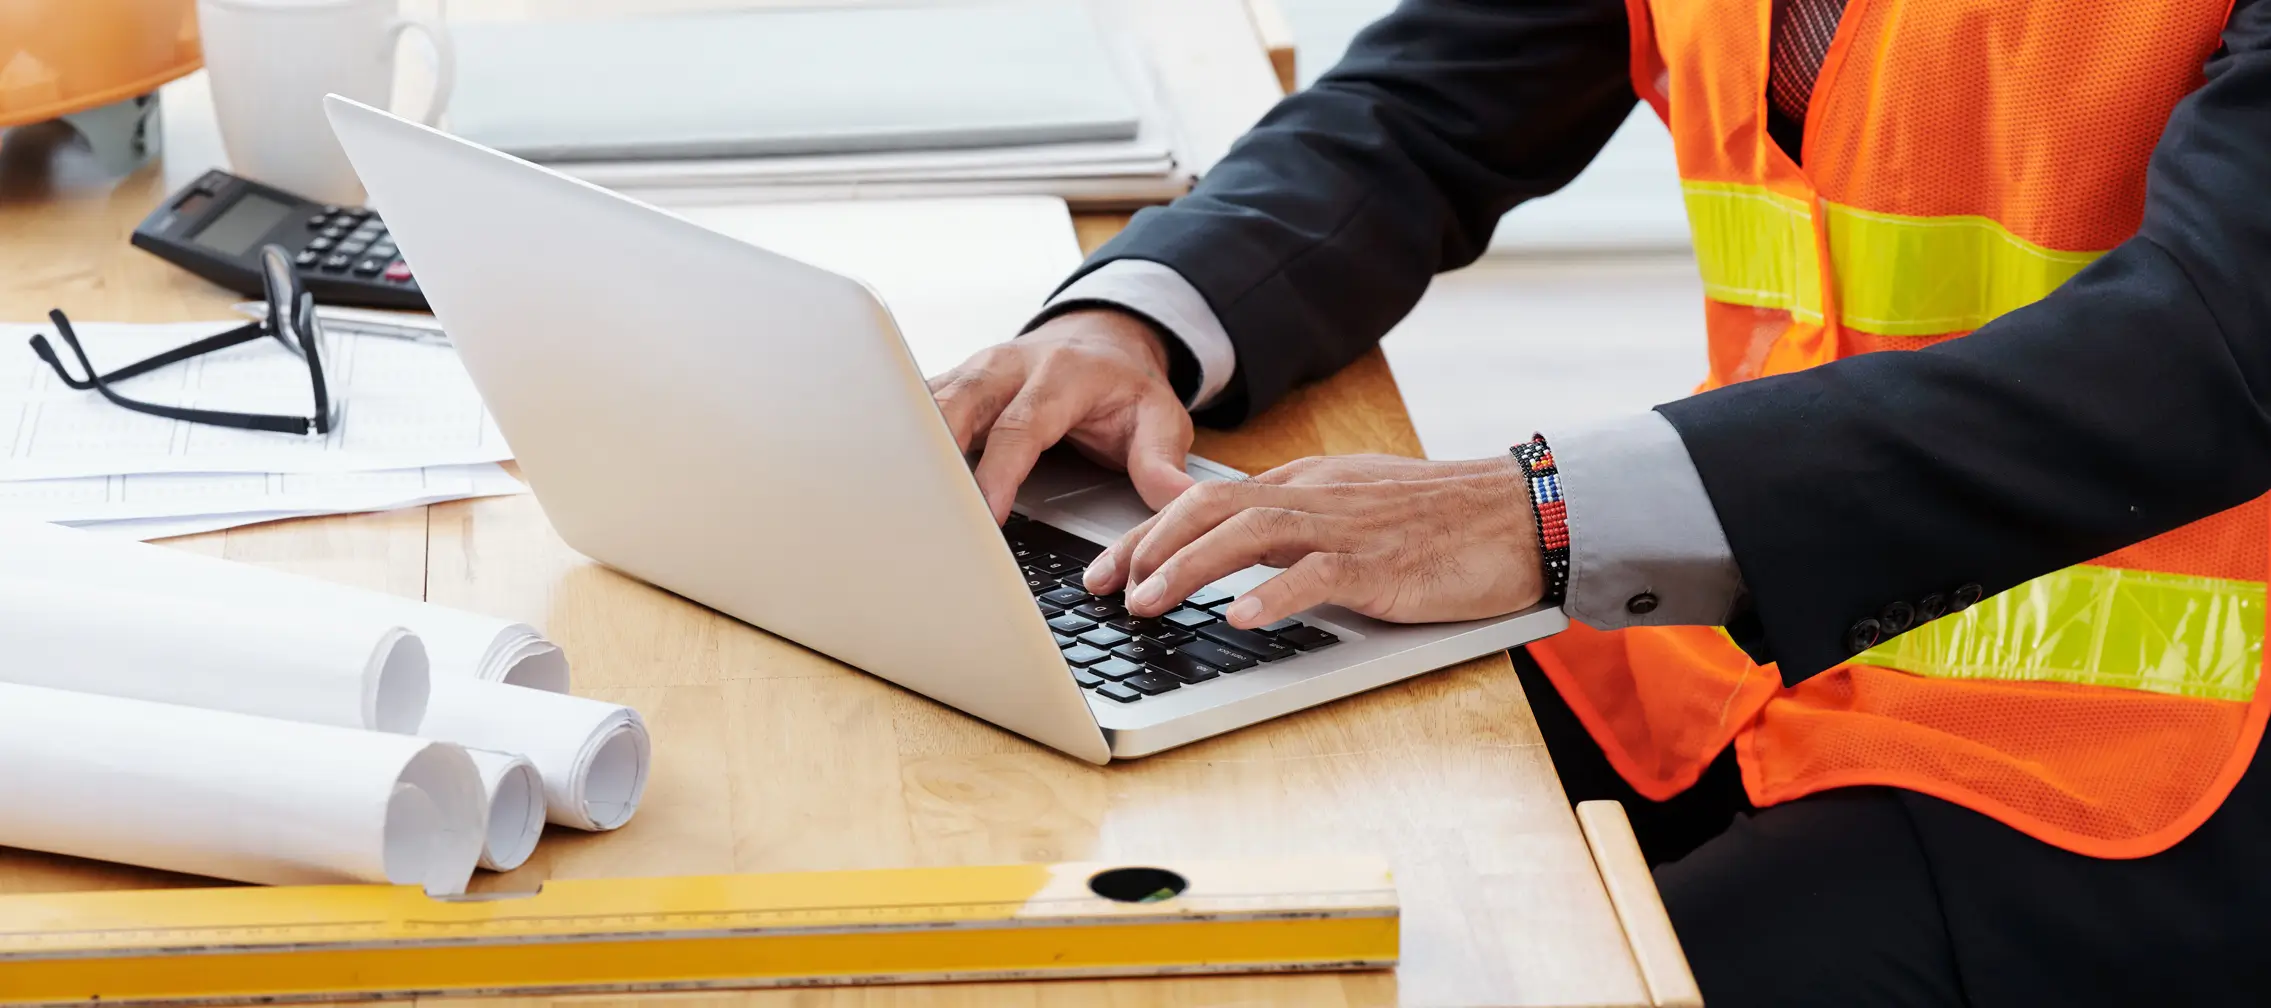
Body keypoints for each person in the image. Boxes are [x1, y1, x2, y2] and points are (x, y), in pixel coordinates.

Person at [928, 1, 2271, 1003]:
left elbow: (2213, 343)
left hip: (2131, 757)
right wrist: (1130, 323)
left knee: (1500, 980)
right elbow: (1430, 105)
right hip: (1727, 650)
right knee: (1205, 845)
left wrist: (1529, 517)